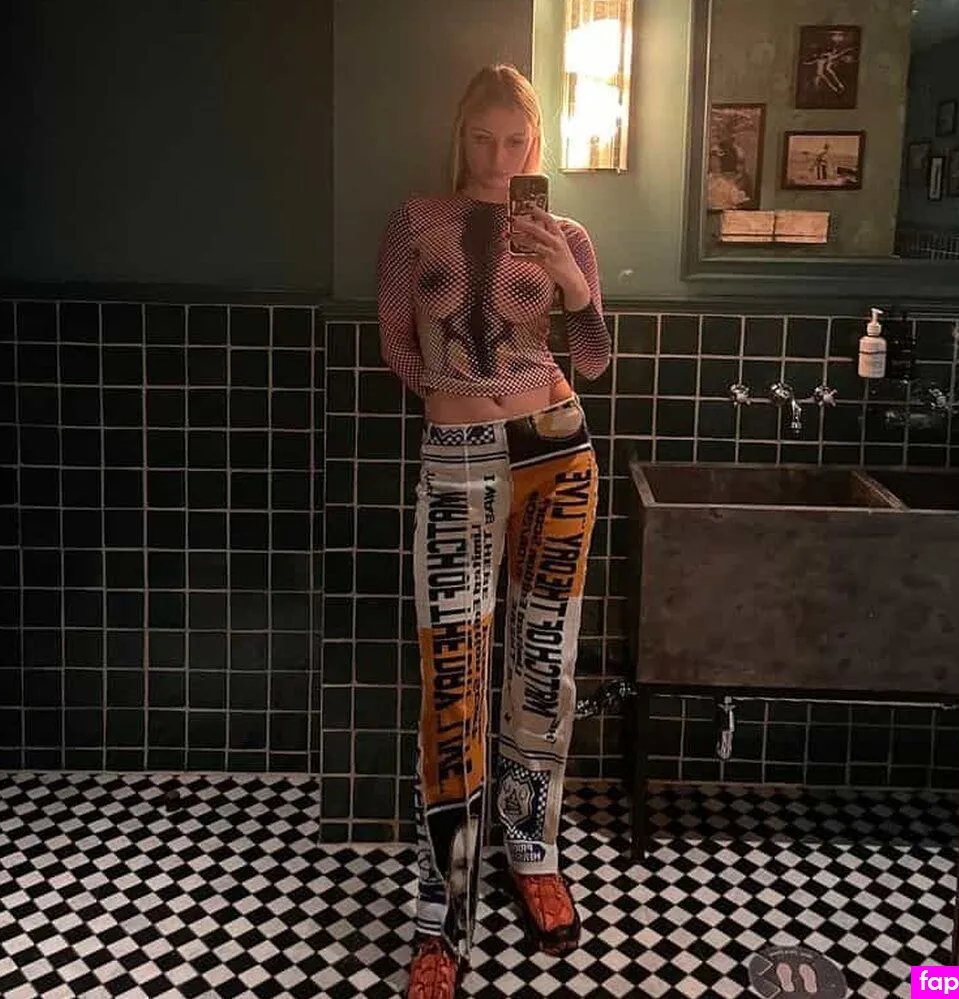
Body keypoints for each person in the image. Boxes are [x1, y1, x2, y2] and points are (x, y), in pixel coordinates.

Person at [375, 64, 612, 999]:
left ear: (537, 143)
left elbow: (594, 361)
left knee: (545, 663)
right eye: (483, 137)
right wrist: (456, 400)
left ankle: (532, 849)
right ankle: (443, 908)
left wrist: (573, 284)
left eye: (516, 141)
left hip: (558, 447)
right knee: (452, 676)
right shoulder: (415, 223)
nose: (498, 158)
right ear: (460, 133)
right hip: (459, 458)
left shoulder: (567, 234)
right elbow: (397, 341)